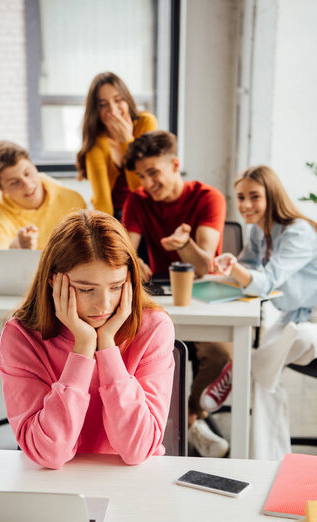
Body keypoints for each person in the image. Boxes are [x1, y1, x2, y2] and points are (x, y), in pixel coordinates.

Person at [0, 210, 175, 469]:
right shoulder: (21, 336)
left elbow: (137, 449)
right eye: (86, 289)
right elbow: (49, 453)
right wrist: (83, 349)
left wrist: (107, 347)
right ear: (52, 280)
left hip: (132, 484)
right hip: (56, 486)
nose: (103, 304)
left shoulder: (155, 328)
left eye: (115, 287)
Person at [209, 165, 317, 459]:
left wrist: (235, 269)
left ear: (272, 195)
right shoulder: (261, 231)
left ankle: (242, 366)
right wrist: (234, 265)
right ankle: (268, 461)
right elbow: (250, 267)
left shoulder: (298, 232)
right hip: (293, 315)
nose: (246, 205)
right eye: (241, 197)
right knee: (264, 379)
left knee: (296, 339)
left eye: (254, 197)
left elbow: (266, 282)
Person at [122, 130, 231, 458]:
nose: (147, 183)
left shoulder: (208, 198)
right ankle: (149, 423)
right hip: (156, 296)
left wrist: (184, 245)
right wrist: (132, 261)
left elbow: (203, 267)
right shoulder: (137, 201)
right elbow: (125, 251)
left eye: (153, 172)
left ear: (175, 165)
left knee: (221, 355)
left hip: (202, 294)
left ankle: (190, 417)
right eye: (141, 176)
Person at [76, 72, 157, 219]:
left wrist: (127, 142)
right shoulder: (96, 144)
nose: (113, 110)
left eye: (118, 100)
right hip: (118, 214)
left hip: (148, 205)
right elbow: (102, 201)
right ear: (96, 111)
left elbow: (142, 187)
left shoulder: (146, 123)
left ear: (127, 100)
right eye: (103, 105)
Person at [0, 140, 86, 250]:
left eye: (27, 173)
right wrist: (16, 247)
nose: (28, 185)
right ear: (1, 188)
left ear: (34, 166)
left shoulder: (72, 200)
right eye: (14, 182)